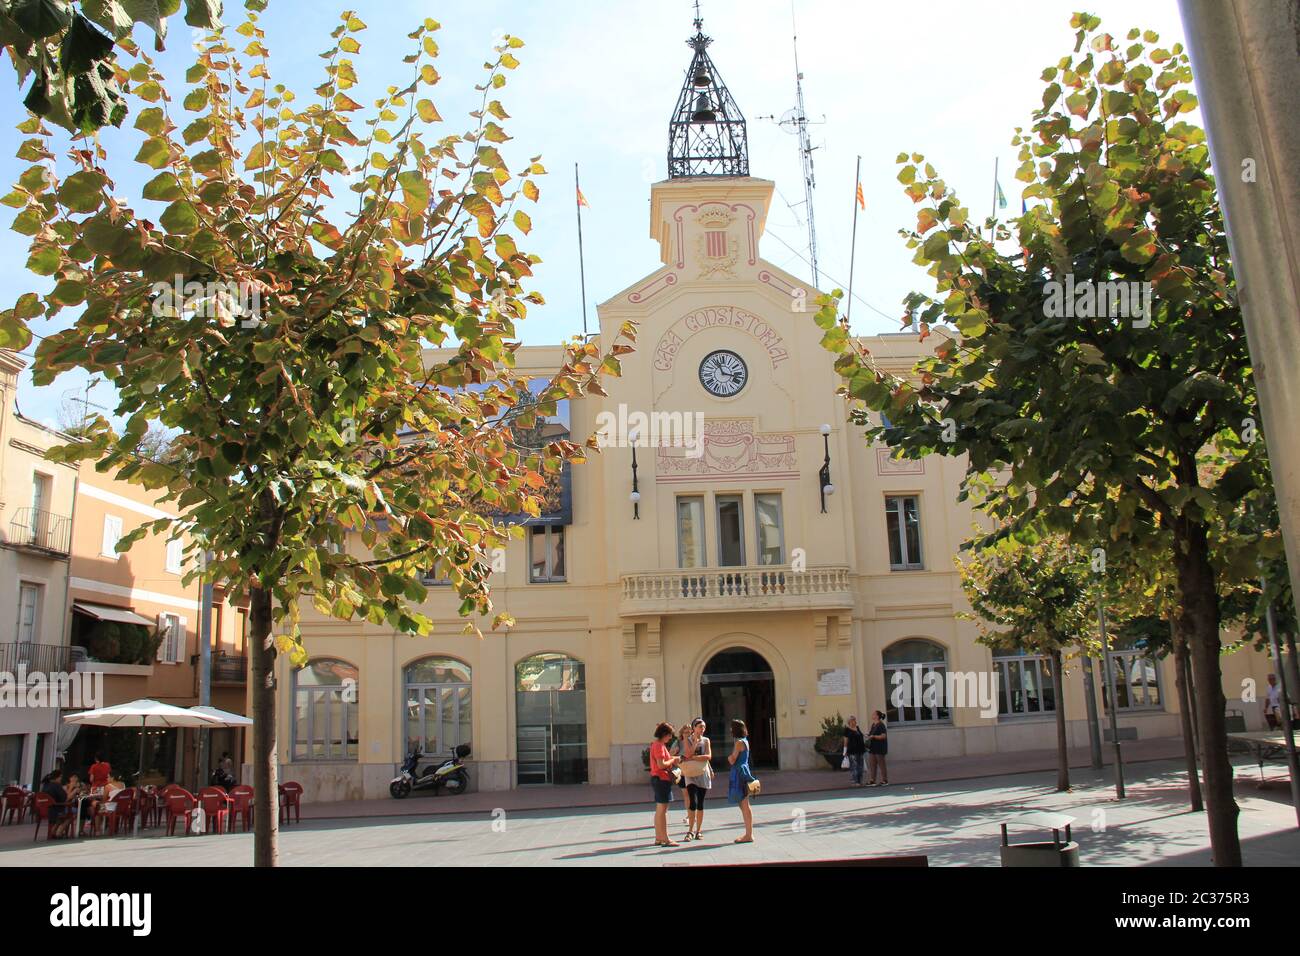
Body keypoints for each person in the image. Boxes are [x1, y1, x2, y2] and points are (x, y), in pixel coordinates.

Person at [649, 722, 681, 847]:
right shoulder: (659, 746)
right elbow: (661, 764)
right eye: (669, 735)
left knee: (660, 809)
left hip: (658, 779)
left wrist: (672, 758)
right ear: (664, 734)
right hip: (661, 779)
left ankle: (658, 837)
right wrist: (673, 759)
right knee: (663, 810)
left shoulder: (657, 745)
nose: (670, 737)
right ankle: (665, 839)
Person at [681, 717, 712, 841]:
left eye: (704, 727)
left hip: (703, 774)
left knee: (700, 803)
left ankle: (699, 830)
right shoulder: (687, 740)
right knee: (692, 802)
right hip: (690, 774)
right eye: (700, 727)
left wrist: (695, 758)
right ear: (694, 728)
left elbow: (709, 756)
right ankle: (690, 831)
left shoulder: (706, 740)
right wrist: (694, 743)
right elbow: (688, 754)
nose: (702, 729)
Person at [726, 718, 755, 844]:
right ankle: (748, 833)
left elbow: (732, 759)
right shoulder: (745, 741)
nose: (730, 729)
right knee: (744, 803)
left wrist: (729, 757)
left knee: (744, 804)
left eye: (732, 727)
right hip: (743, 771)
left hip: (738, 774)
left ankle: (749, 834)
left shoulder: (738, 743)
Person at [41, 770, 71, 838]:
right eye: (60, 777)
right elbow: (65, 798)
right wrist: (72, 789)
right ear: (57, 777)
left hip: (44, 810)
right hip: (54, 811)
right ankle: (59, 832)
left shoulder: (45, 785)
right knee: (71, 813)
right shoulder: (56, 786)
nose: (61, 779)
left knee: (64, 813)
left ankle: (53, 831)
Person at [866, 710, 889, 786]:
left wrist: (874, 736)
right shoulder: (873, 725)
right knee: (872, 765)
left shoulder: (881, 725)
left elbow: (883, 736)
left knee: (881, 765)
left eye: (873, 714)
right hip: (872, 748)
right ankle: (872, 780)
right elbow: (871, 734)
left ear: (877, 716)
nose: (872, 715)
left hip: (879, 748)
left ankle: (885, 780)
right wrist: (868, 736)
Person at [843, 715, 866, 787]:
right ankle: (855, 781)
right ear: (849, 722)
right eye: (853, 720)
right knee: (854, 766)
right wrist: (844, 751)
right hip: (852, 750)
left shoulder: (857, 728)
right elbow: (845, 741)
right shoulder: (847, 730)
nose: (855, 721)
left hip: (860, 750)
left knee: (860, 766)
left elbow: (861, 736)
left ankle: (860, 780)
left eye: (855, 720)